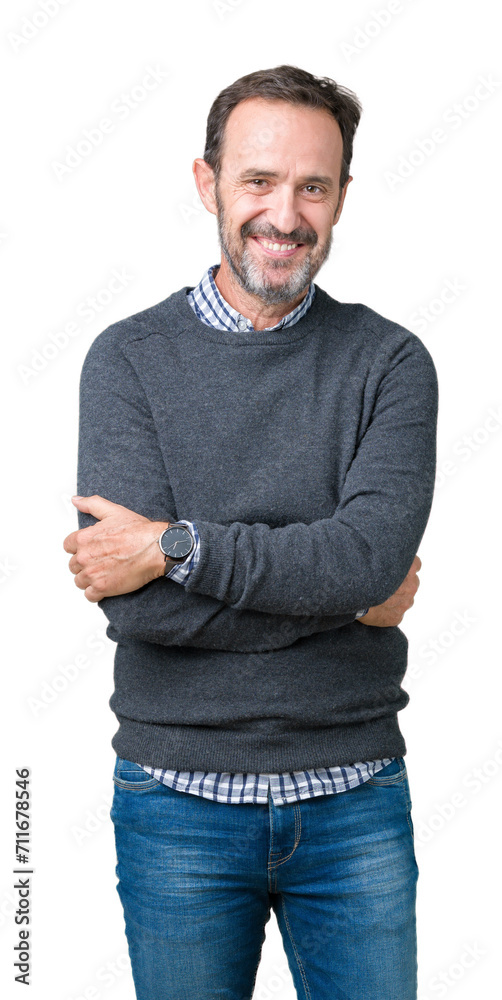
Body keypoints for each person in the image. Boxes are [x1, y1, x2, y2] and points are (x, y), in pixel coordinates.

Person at [63, 65, 438, 1000]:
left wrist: (176, 546)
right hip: (174, 804)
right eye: (259, 181)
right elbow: (141, 615)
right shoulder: (127, 360)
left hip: (355, 798)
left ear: (343, 196)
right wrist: (346, 596)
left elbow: (364, 558)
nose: (286, 213)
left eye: (314, 186)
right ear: (208, 184)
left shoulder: (391, 363)